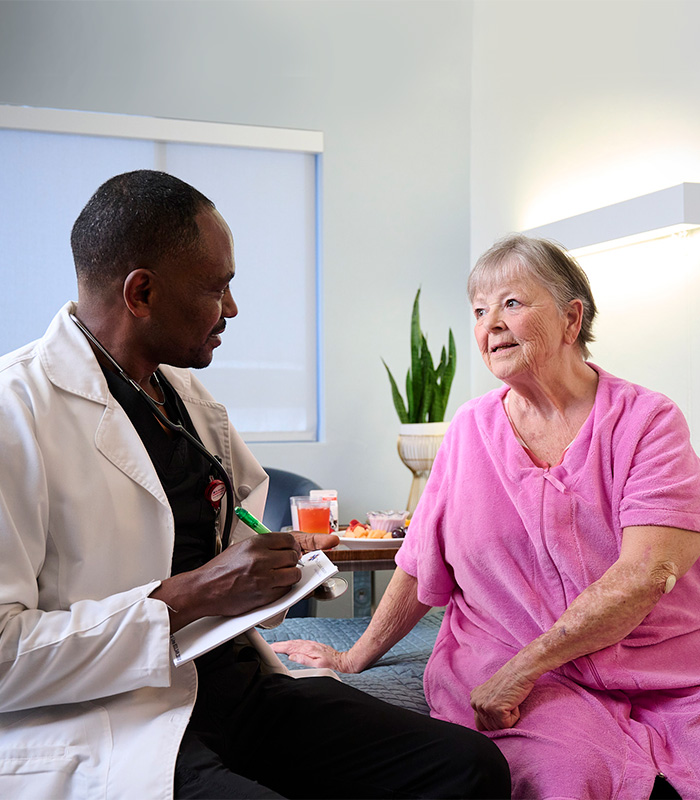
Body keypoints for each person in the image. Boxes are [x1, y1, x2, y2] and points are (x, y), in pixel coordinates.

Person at [0, 170, 510, 800]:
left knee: (469, 767)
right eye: (219, 289)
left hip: (236, 687)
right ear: (141, 294)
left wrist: (276, 566)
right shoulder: (14, 414)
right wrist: (190, 595)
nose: (233, 309)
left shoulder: (183, 395)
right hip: (116, 714)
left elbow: (230, 517)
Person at [273, 234, 700, 800]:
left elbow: (649, 572)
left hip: (661, 670)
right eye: (480, 310)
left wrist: (526, 665)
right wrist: (353, 659)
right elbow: (420, 559)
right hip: (513, 673)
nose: (490, 324)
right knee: (571, 776)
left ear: (572, 320)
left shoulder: (648, 422)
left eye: (512, 304)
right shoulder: (471, 430)